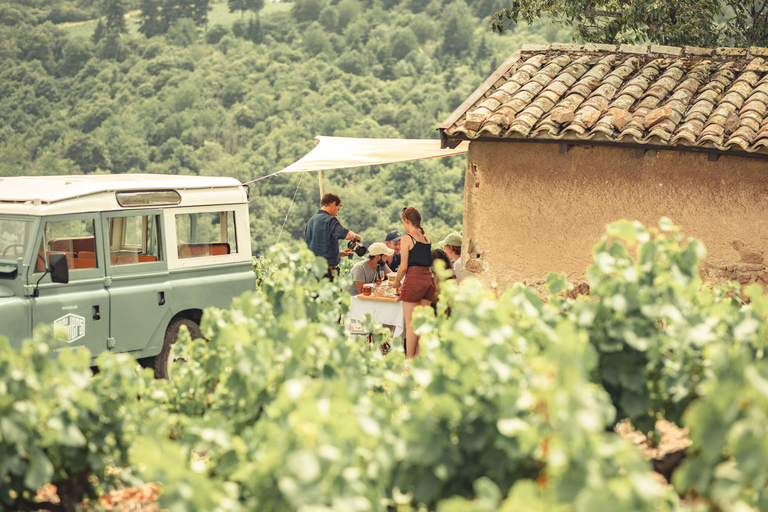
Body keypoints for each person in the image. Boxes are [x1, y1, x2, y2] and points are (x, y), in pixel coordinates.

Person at [393, 207, 436, 358]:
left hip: (414, 279)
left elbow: (404, 267)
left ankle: (409, 360)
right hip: (429, 280)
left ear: (406, 221)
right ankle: (420, 358)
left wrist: (396, 282)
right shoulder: (427, 238)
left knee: (411, 324)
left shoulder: (407, 238)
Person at [305, 193, 361, 280]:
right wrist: (356, 236)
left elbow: (316, 247)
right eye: (337, 209)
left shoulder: (310, 221)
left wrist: (338, 254)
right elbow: (348, 235)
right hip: (327, 272)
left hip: (312, 271)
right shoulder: (330, 220)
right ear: (333, 203)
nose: (336, 214)